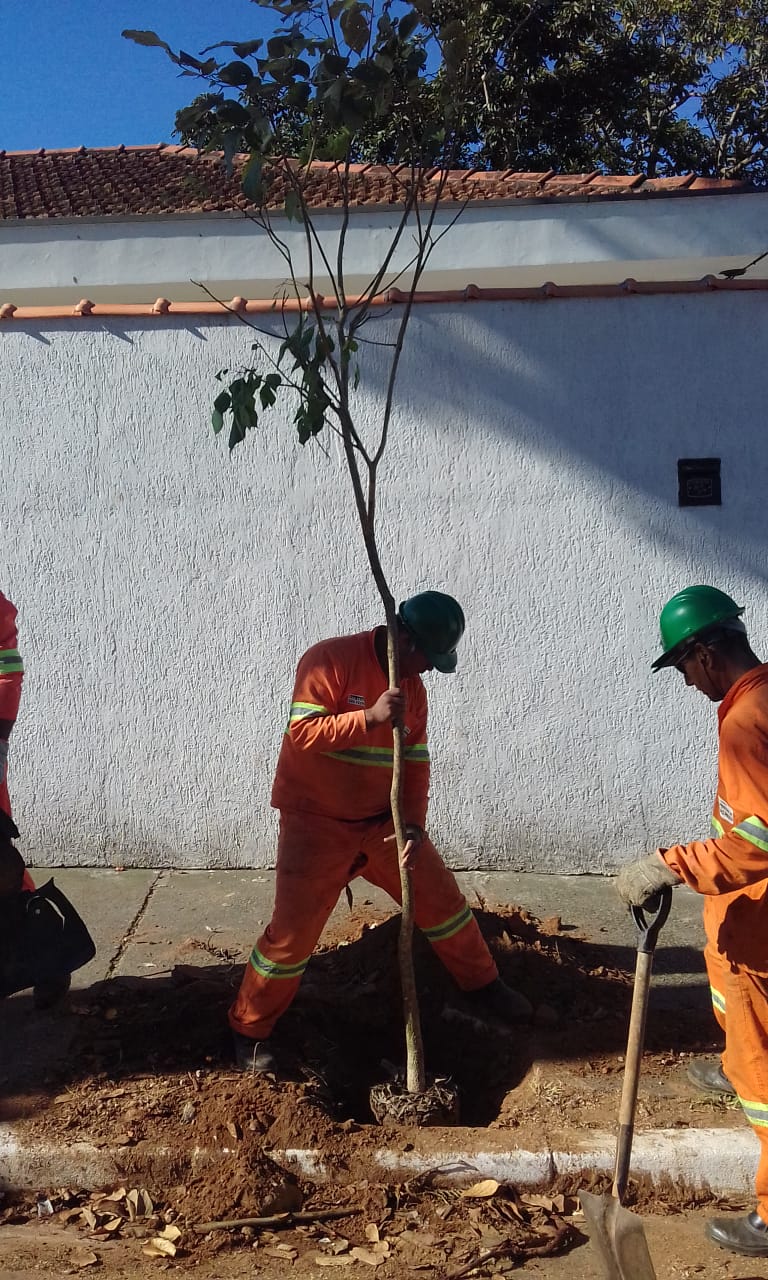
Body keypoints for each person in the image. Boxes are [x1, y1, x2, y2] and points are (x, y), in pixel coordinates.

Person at [230, 590, 532, 1072]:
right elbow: (302, 736)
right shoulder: (328, 660)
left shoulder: (413, 691)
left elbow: (415, 763)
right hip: (316, 824)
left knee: (444, 905)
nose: (429, 670)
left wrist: (412, 826)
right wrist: (368, 717)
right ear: (400, 637)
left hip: (383, 825)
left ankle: (483, 985)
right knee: (291, 936)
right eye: (426, 657)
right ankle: (250, 1031)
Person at [616, 585, 768, 1258]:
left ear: (704, 654)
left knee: (765, 1082)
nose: (684, 681)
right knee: (743, 1038)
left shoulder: (745, 722)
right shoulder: (760, 698)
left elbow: (757, 841)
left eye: (681, 667)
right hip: (744, 917)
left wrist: (672, 864)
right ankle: (735, 1062)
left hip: (760, 927)